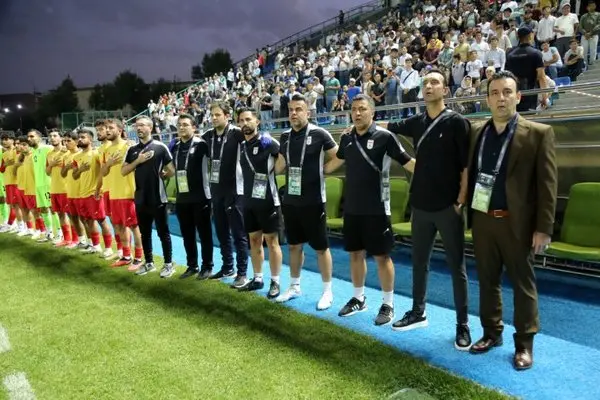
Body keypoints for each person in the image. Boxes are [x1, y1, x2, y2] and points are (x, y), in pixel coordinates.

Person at [467, 70, 557, 371]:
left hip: (518, 224)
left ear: (518, 96)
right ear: (487, 99)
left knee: (523, 285)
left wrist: (543, 228)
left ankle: (524, 344)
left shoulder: (539, 133)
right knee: (487, 281)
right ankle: (491, 333)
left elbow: (547, 186)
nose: (501, 98)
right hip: (483, 218)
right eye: (494, 93)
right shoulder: (477, 132)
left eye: (507, 92)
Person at [383, 69, 472, 350]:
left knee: (457, 268)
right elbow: (388, 125)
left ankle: (462, 324)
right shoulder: (416, 121)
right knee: (419, 263)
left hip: (448, 206)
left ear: (445, 89)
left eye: (434, 82)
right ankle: (418, 312)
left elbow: (466, 165)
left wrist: (460, 200)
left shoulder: (457, 122)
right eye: (425, 83)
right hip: (420, 206)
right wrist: (361, 124)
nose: (429, 86)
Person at [325, 94, 415, 326]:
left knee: (382, 256)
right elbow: (334, 163)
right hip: (352, 209)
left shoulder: (385, 137)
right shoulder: (347, 138)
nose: (357, 113)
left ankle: (388, 304)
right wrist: (310, 168)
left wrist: (437, 172)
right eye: (354, 109)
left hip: (378, 209)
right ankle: (358, 298)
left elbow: (409, 163)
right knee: (355, 253)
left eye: (362, 109)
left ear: (372, 112)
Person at [274, 94, 337, 310]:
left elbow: (339, 155)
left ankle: (327, 291)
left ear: (307, 112)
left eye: (298, 109)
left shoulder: (319, 133)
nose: (294, 113)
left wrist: (324, 170)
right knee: (294, 245)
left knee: (321, 247)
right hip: (291, 201)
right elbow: (280, 166)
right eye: (291, 110)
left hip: (314, 200)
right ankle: (294, 286)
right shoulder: (284, 136)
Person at [236, 108, 282, 299]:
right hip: (249, 202)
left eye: (248, 119)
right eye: (241, 120)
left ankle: (275, 281)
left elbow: (284, 159)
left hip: (268, 200)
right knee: (254, 241)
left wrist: (273, 172)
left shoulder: (268, 142)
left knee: (272, 242)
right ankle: (258, 278)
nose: (245, 123)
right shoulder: (241, 146)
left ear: (257, 121)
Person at [202, 102, 249, 286]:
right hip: (216, 190)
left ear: (227, 116)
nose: (214, 118)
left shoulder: (237, 133)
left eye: (217, 115)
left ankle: (242, 272)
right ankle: (228, 266)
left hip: (235, 190)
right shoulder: (208, 136)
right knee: (221, 232)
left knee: (238, 233)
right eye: (212, 115)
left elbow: (257, 139)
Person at [122, 116, 175, 277]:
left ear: (150, 128)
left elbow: (171, 170)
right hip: (140, 197)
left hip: (158, 197)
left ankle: (168, 264)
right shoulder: (132, 150)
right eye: (137, 125)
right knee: (144, 233)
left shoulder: (160, 147)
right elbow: (124, 171)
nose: (138, 128)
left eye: (142, 125)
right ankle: (149, 263)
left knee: (163, 232)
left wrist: (164, 175)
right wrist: (138, 161)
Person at [171, 114, 215, 279]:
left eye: (185, 124)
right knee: (187, 234)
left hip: (201, 197)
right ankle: (192, 265)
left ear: (194, 127)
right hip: (182, 197)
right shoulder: (175, 146)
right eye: (179, 125)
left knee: (204, 234)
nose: (181, 127)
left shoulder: (201, 144)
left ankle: (207, 266)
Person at [102, 119, 144, 269]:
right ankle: (126, 256)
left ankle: (138, 258)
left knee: (134, 226)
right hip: (114, 193)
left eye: (111, 128)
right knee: (119, 226)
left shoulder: (129, 146)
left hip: (128, 193)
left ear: (119, 130)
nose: (107, 130)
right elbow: (103, 172)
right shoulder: (107, 150)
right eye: (106, 128)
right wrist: (108, 164)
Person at [72, 129, 114, 257]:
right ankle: (96, 246)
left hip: (94, 193)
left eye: (83, 137)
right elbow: (74, 176)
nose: (80, 139)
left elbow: (104, 171)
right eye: (79, 137)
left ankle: (109, 248)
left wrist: (99, 189)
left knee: (101, 220)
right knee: (88, 220)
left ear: (90, 139)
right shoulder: (76, 157)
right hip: (82, 193)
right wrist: (80, 169)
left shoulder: (96, 154)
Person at [505, 26, 548, 112]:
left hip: (515, 94)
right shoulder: (536, 53)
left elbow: (507, 76)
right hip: (530, 94)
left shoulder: (510, 54)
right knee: (529, 118)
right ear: (530, 35)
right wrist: (545, 97)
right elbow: (541, 77)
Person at [27, 129, 58, 242]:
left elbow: (59, 150)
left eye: (32, 136)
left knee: (53, 209)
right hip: (38, 184)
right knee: (43, 209)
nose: (29, 139)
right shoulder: (33, 151)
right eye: (28, 137)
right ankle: (49, 233)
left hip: (47, 183)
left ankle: (59, 234)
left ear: (39, 138)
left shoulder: (47, 148)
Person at [45, 130, 72, 247]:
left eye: (55, 136)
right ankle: (67, 239)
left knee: (71, 215)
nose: (52, 138)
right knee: (60, 214)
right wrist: (51, 164)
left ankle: (77, 240)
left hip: (66, 188)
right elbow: (47, 172)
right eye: (50, 136)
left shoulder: (67, 152)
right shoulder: (49, 154)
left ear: (61, 138)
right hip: (54, 188)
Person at [60, 131, 86, 248]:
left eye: (68, 141)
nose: (66, 143)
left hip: (81, 191)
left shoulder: (82, 154)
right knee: (73, 217)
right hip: (69, 191)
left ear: (76, 141)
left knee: (84, 218)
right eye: (64, 141)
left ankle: (90, 242)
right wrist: (66, 167)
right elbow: (63, 174)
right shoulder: (65, 156)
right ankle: (80, 240)